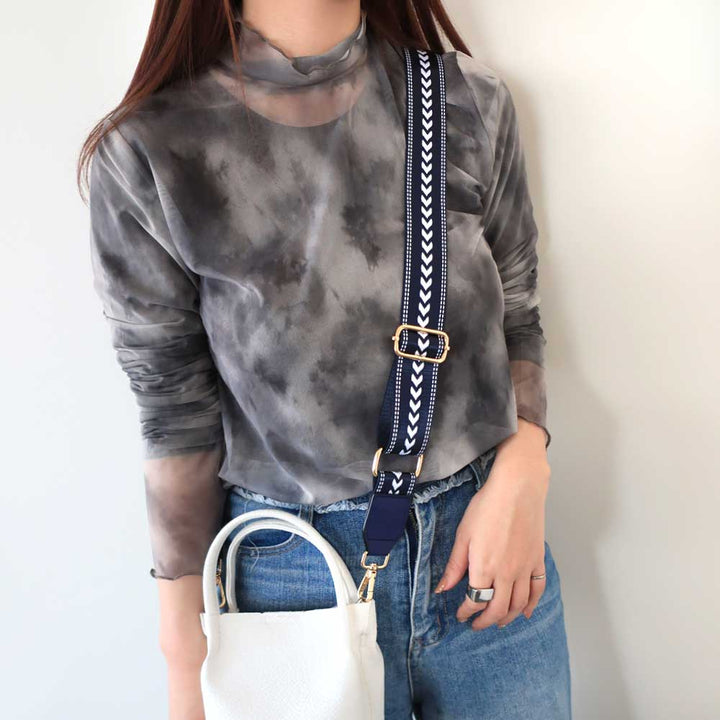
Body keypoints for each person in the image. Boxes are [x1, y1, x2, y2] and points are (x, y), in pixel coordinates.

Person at [79, 1, 572, 717]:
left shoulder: (466, 99)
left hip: (488, 550)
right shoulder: (149, 151)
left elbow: (518, 312)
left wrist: (526, 468)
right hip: (291, 578)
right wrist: (185, 659)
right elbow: (173, 411)